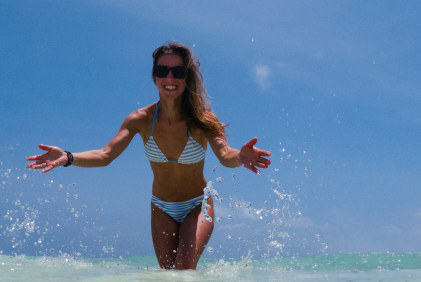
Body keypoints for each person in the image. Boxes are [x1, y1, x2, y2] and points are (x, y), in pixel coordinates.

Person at [26, 42, 271, 270]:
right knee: (167, 278)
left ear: (187, 77)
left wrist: (241, 156)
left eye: (177, 71)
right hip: (161, 207)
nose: (170, 77)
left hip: (197, 205)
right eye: (163, 70)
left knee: (184, 271)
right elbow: (105, 154)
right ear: (154, 77)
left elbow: (225, 154)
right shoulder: (140, 120)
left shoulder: (203, 120)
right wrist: (68, 157)